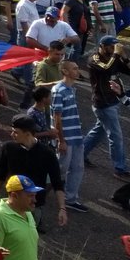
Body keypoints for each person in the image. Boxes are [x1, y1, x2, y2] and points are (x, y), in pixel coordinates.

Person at [0, 114, 67, 231]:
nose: (12, 135)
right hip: (12, 204)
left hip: (33, 207)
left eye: (16, 132)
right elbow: (1, 174)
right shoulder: (8, 148)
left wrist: (62, 208)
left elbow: (57, 183)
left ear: (27, 134)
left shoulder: (47, 153)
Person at [82, 35, 130, 178]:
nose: (113, 48)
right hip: (102, 103)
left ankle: (79, 154)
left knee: (98, 132)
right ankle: (119, 168)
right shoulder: (94, 59)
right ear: (102, 46)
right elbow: (106, 69)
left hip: (113, 101)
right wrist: (116, 54)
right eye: (111, 46)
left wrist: (125, 57)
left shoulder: (114, 59)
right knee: (115, 136)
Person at [52, 59, 88, 212]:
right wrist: (61, 140)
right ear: (65, 71)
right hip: (66, 137)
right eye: (74, 68)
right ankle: (41, 191)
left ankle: (70, 199)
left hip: (76, 135)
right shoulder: (59, 91)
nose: (77, 70)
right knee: (60, 168)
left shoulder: (71, 89)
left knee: (77, 167)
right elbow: (57, 118)